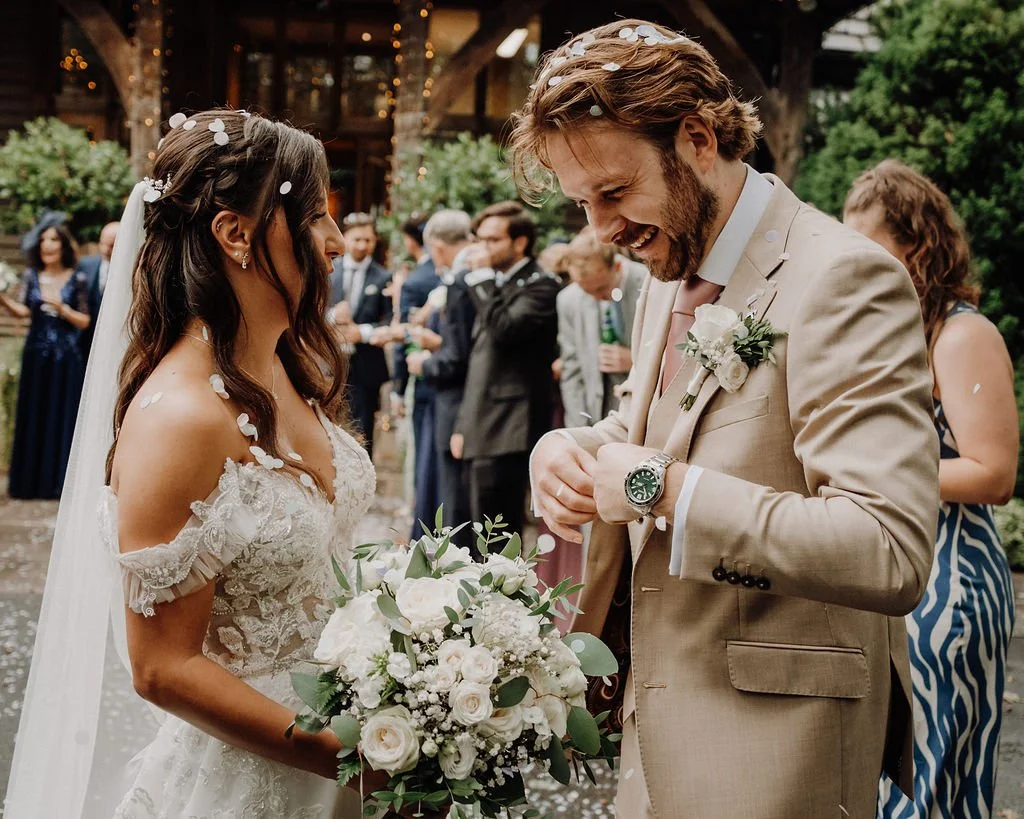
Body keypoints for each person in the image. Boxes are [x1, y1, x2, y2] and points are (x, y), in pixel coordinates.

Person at [515, 20, 939, 818]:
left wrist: (649, 485)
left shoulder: (843, 278)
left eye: (613, 192)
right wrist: (568, 447)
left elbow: (887, 548)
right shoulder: (666, 272)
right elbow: (658, 434)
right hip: (658, 726)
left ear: (700, 138)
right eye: (581, 205)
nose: (600, 231)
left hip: (778, 740)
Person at [5, 110, 375, 817]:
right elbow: (161, 666)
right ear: (235, 231)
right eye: (317, 215)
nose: (333, 240)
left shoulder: (288, 366)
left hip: (352, 735)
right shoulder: (179, 417)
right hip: (263, 770)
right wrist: (352, 754)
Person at [843, 160, 1018, 819]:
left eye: (870, 248)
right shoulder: (899, 334)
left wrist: (867, 475)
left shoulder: (961, 333)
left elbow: (992, 473)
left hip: (950, 587)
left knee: (937, 784)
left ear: (916, 243)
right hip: (895, 574)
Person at [454, 201, 560, 543]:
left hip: (510, 425)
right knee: (474, 527)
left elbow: (504, 329)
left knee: (497, 536)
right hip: (482, 423)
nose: (482, 249)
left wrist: (482, 279)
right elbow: (479, 361)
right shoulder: (497, 283)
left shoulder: (542, 286)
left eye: (492, 240)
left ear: (520, 242)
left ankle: (499, 598)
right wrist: (463, 426)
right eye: (479, 240)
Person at [0, 211, 91, 499]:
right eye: (43, 241)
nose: (47, 245)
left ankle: (59, 483)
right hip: (36, 356)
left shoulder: (76, 278)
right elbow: (24, 310)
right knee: (34, 413)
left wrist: (62, 309)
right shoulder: (31, 276)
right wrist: (2, 298)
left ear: (63, 245)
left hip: (66, 358)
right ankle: (31, 482)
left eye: (53, 240)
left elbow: (85, 320)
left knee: (61, 415)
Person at [410, 210, 474, 542]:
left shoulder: (462, 278)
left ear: (436, 247)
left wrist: (426, 362)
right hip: (459, 401)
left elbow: (460, 355)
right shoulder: (463, 274)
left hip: (458, 402)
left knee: (455, 498)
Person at [558, 226, 647, 427]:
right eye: (586, 291)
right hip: (596, 412)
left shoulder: (650, 282)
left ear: (617, 267)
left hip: (642, 409)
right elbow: (571, 369)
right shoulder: (568, 299)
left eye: (601, 289)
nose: (596, 298)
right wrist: (578, 428)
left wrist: (634, 362)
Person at [392, 216, 442, 538]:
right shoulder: (443, 276)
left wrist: (398, 387)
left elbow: (405, 339)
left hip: (423, 381)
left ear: (413, 242)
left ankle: (417, 521)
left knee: (417, 458)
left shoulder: (414, 282)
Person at [329, 212, 393, 455]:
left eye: (368, 240)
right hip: (328, 364)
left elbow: (390, 322)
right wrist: (332, 317)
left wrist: (362, 333)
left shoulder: (383, 276)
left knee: (362, 430)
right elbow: (308, 313)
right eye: (357, 239)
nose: (363, 245)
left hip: (366, 367)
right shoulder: (328, 271)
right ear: (345, 238)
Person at [79, 220, 119, 360]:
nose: (105, 250)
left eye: (112, 245)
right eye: (102, 244)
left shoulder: (131, 271)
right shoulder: (84, 264)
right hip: (85, 341)